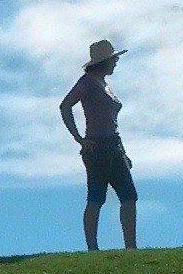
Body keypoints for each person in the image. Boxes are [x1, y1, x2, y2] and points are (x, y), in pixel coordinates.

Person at [58, 39, 137, 251]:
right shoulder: (87, 82)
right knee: (96, 197)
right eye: (113, 60)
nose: (116, 63)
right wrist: (79, 139)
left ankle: (131, 247)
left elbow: (112, 124)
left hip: (114, 145)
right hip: (97, 147)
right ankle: (92, 248)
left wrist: (124, 153)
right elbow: (65, 106)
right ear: (104, 62)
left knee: (129, 196)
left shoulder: (104, 85)